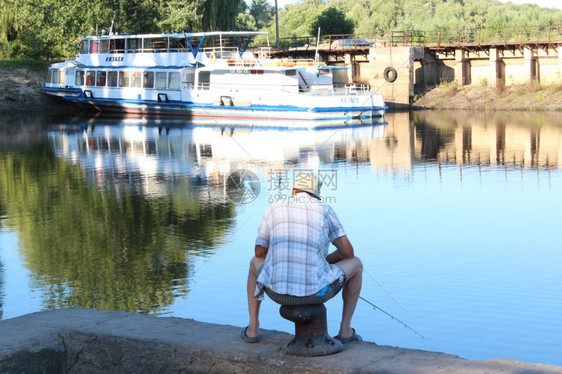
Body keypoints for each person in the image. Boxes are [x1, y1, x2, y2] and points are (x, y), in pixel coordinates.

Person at [242, 172, 363, 344]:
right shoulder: (324, 209)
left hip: (275, 292)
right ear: (316, 195)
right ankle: (345, 331)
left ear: (293, 191)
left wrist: (280, 256)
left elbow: (259, 254)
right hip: (316, 293)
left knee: (254, 263)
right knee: (356, 264)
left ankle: (252, 328)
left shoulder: (273, 208)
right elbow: (347, 253)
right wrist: (325, 260)